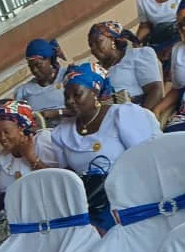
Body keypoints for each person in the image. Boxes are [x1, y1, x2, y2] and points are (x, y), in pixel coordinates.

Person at [53, 63, 161, 227]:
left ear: (95, 92)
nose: (70, 101)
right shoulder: (61, 132)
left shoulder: (121, 115)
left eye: (77, 94)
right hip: (91, 203)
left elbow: (146, 158)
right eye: (66, 96)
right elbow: (67, 176)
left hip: (131, 195)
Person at [0, 101, 59, 243]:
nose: (2, 138)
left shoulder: (42, 141)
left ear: (21, 128)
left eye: (6, 132)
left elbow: (60, 180)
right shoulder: (0, 157)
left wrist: (31, 159)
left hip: (49, 212)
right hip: (15, 220)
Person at [88, 21, 163, 110]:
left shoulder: (138, 55)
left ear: (112, 39)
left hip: (136, 111)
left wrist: (143, 115)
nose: (94, 48)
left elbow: (155, 90)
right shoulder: (94, 71)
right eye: (91, 45)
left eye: (98, 41)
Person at [13, 39, 67, 123]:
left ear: (49, 60)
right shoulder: (23, 91)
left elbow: (83, 108)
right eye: (31, 67)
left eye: (38, 65)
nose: (35, 70)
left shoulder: (67, 76)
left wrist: (57, 112)